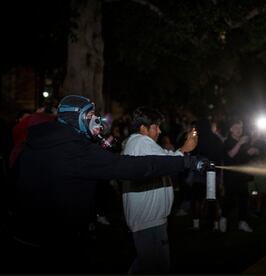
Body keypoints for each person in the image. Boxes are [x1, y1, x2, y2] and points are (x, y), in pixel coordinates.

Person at [10, 95, 206, 274]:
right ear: (76, 117)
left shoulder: (38, 142)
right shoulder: (75, 151)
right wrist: (184, 160)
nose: (97, 120)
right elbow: (130, 167)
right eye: (91, 115)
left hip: (26, 237)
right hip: (58, 242)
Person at [121, 106, 197, 274]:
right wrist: (184, 150)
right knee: (158, 267)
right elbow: (167, 164)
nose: (160, 131)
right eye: (156, 126)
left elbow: (165, 159)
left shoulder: (140, 144)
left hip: (148, 220)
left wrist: (181, 151)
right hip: (149, 221)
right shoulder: (141, 142)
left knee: (145, 264)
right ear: (143, 128)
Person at [220, 118, 260, 232]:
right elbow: (231, 155)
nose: (239, 130)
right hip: (231, 177)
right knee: (230, 199)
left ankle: (242, 222)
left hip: (242, 176)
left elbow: (243, 157)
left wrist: (252, 152)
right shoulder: (227, 142)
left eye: (241, 127)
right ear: (231, 129)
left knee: (244, 200)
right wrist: (240, 143)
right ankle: (223, 218)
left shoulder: (244, 142)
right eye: (236, 127)